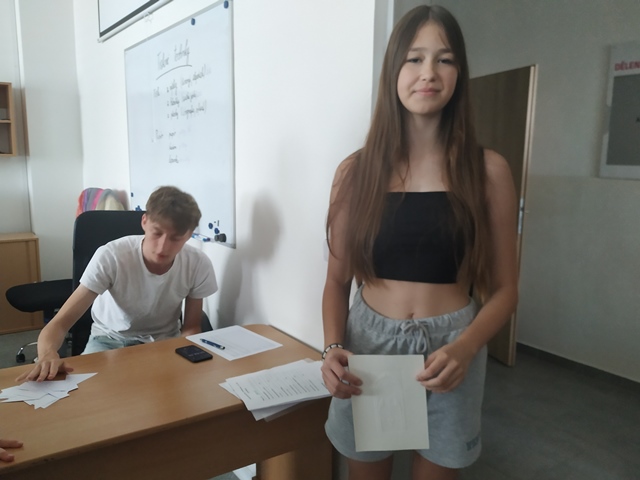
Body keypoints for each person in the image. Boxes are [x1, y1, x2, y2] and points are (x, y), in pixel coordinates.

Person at [321, 5, 518, 480]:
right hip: (370, 345)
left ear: (459, 73)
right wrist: (331, 348)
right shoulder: (355, 172)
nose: (428, 72)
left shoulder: (488, 170)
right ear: (394, 70)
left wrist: (466, 347)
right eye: (414, 58)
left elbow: (506, 290)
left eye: (444, 59)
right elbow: (336, 281)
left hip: (453, 346)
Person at [16, 186, 218, 383]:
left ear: (189, 234)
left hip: (164, 341)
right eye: (157, 233)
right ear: (144, 221)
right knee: (89, 395)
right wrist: (47, 354)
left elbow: (191, 327)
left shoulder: (197, 263)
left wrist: (186, 353)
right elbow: (60, 322)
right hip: (108, 340)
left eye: (176, 238)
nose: (162, 248)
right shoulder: (112, 256)